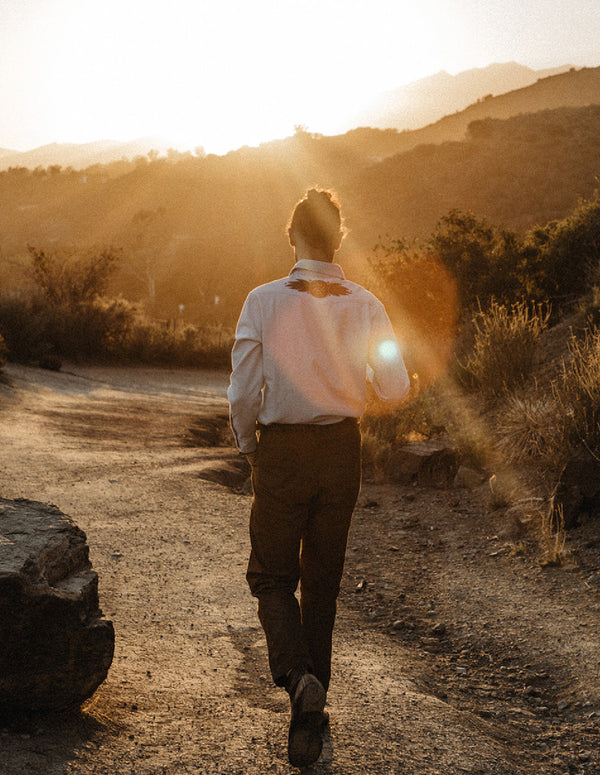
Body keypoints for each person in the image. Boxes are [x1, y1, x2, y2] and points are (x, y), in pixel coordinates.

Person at [228, 188, 410, 768]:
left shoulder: (261, 301)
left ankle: (299, 677)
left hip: (281, 451)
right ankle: (310, 719)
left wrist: (249, 444)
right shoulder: (365, 304)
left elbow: (241, 392)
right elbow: (396, 386)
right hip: (340, 450)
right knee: (322, 582)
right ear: (338, 239)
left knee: (272, 577)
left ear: (293, 237)